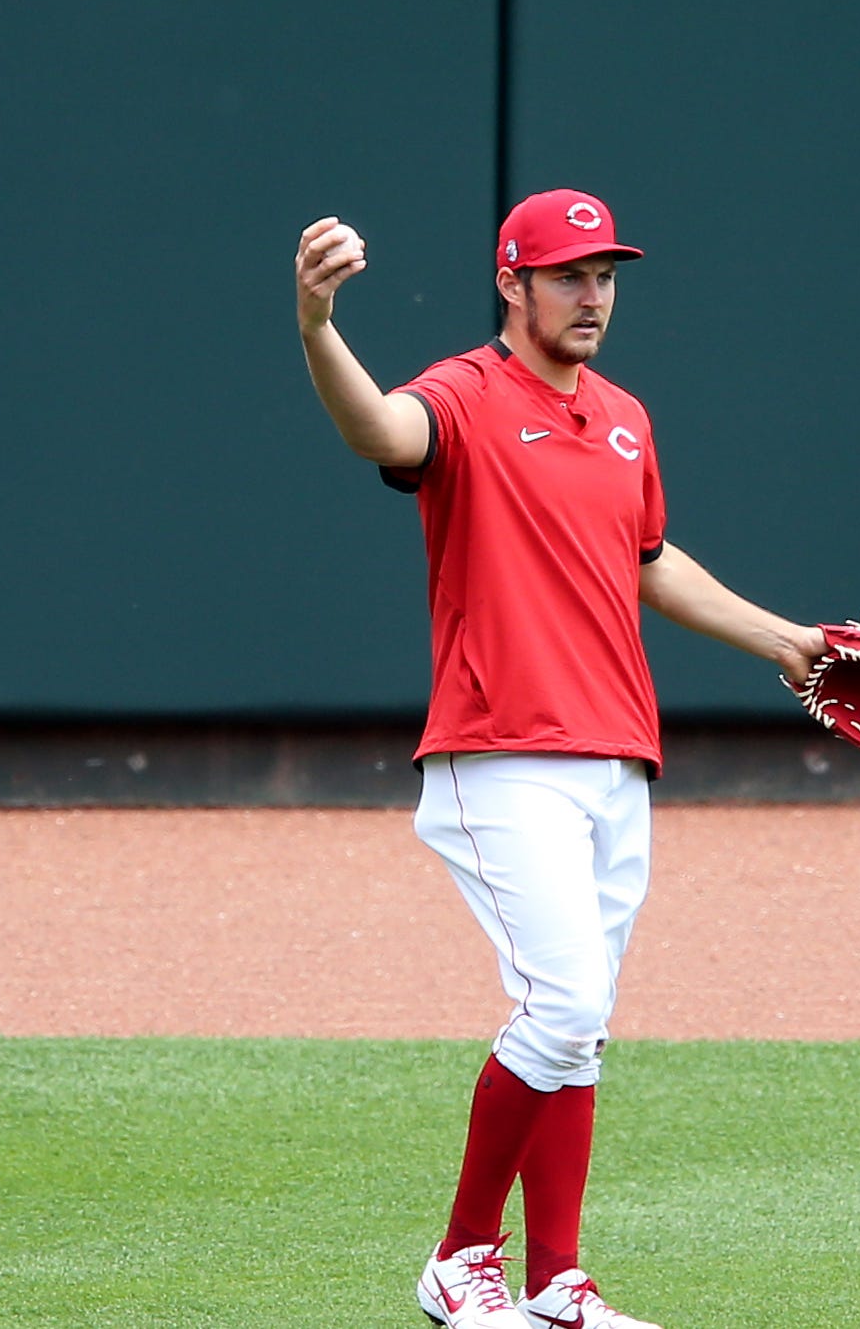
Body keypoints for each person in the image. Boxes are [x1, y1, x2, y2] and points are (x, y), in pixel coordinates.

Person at [294, 188, 827, 1329]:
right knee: (564, 1001)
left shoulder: (624, 416)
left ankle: (557, 1283)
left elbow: (649, 559)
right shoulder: (466, 395)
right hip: (499, 753)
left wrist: (783, 639)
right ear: (513, 283)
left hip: (617, 755)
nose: (593, 296)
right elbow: (379, 432)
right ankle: (458, 1259)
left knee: (580, 1026)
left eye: (606, 276)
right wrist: (317, 325)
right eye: (569, 275)